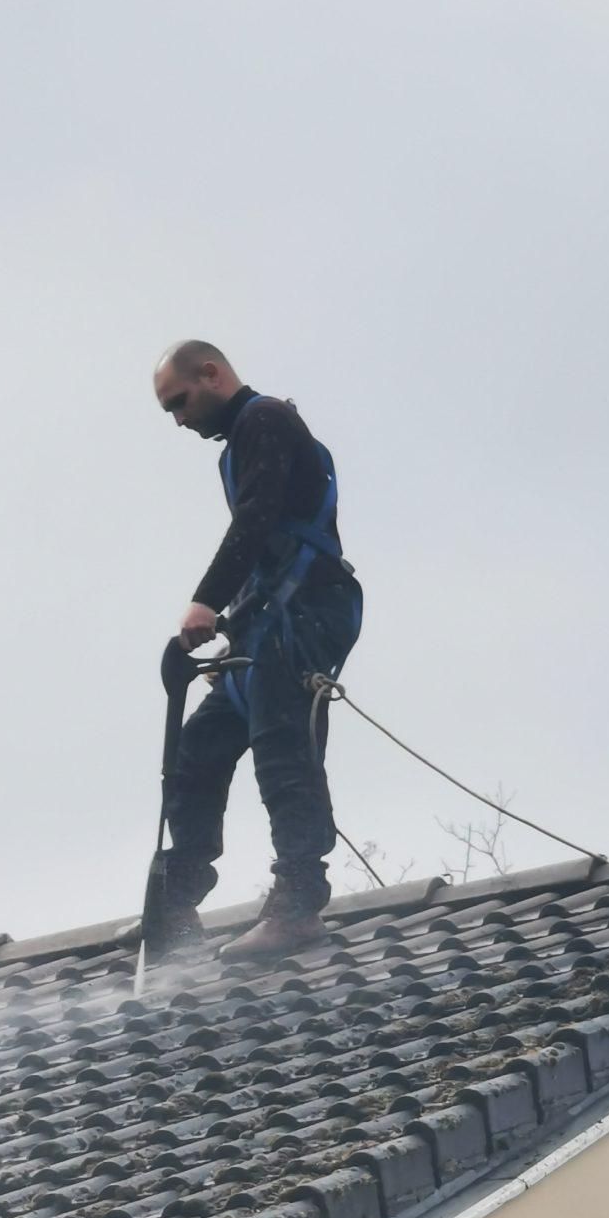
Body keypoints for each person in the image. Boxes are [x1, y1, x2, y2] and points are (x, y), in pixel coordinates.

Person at [151, 340, 363, 960]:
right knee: (199, 751)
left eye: (180, 402)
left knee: (281, 746)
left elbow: (258, 517)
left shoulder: (266, 419)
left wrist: (205, 600)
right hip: (265, 621)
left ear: (211, 374)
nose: (179, 419)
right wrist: (232, 616)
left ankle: (298, 903)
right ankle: (177, 898)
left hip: (306, 612)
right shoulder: (240, 439)